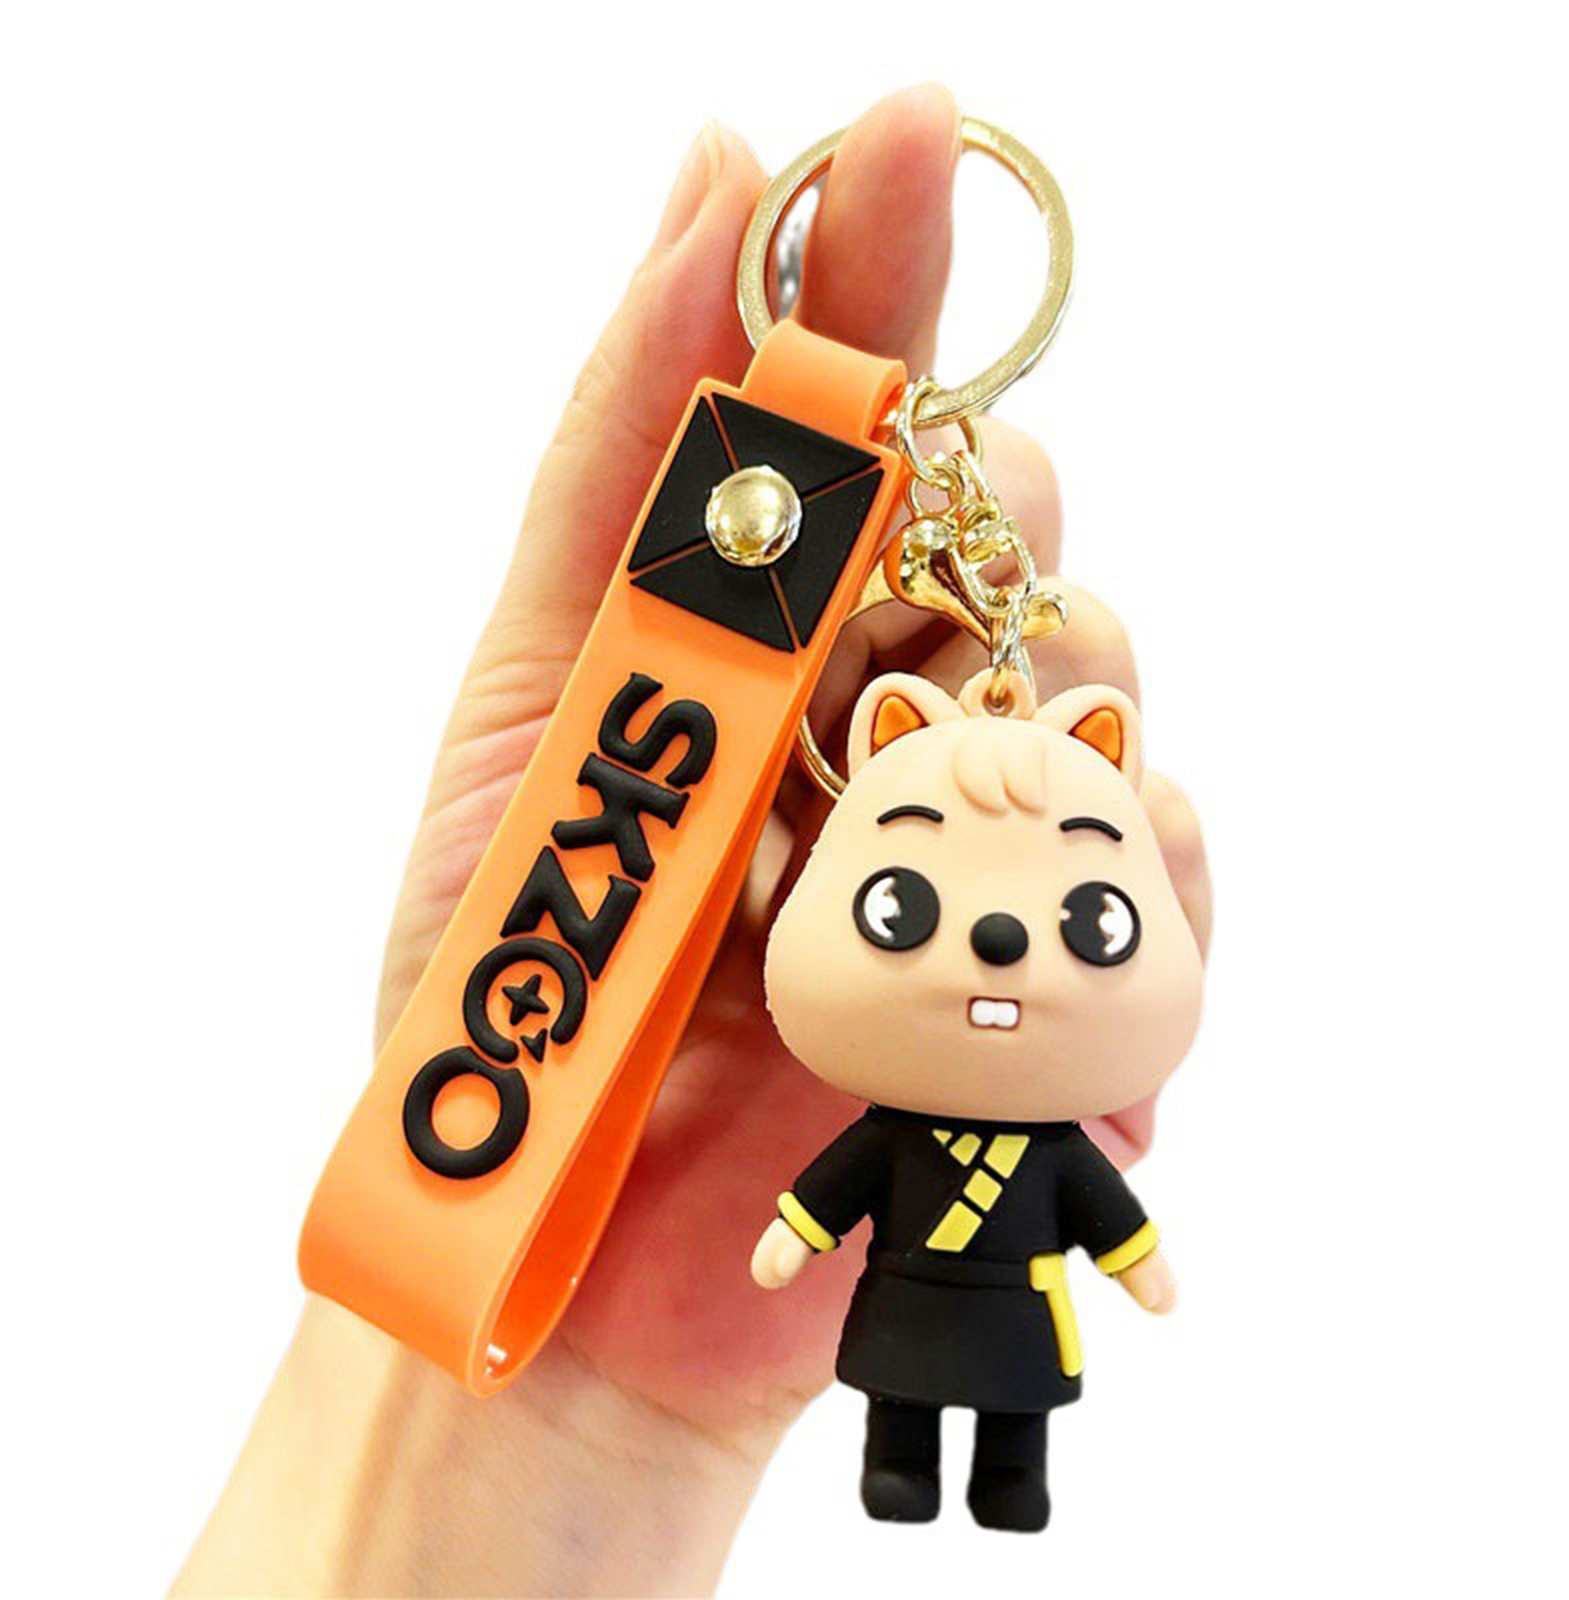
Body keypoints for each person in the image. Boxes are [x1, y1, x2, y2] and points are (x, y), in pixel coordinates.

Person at [173, 84, 1212, 1598]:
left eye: (1087, 930)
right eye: (909, 908)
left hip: (952, 1323)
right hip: (590, 1179)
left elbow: (1088, 1224)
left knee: (1000, 1439)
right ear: (881, 751)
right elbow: (835, 1205)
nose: (996, 942)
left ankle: (994, 1468)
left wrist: (599, 1428)